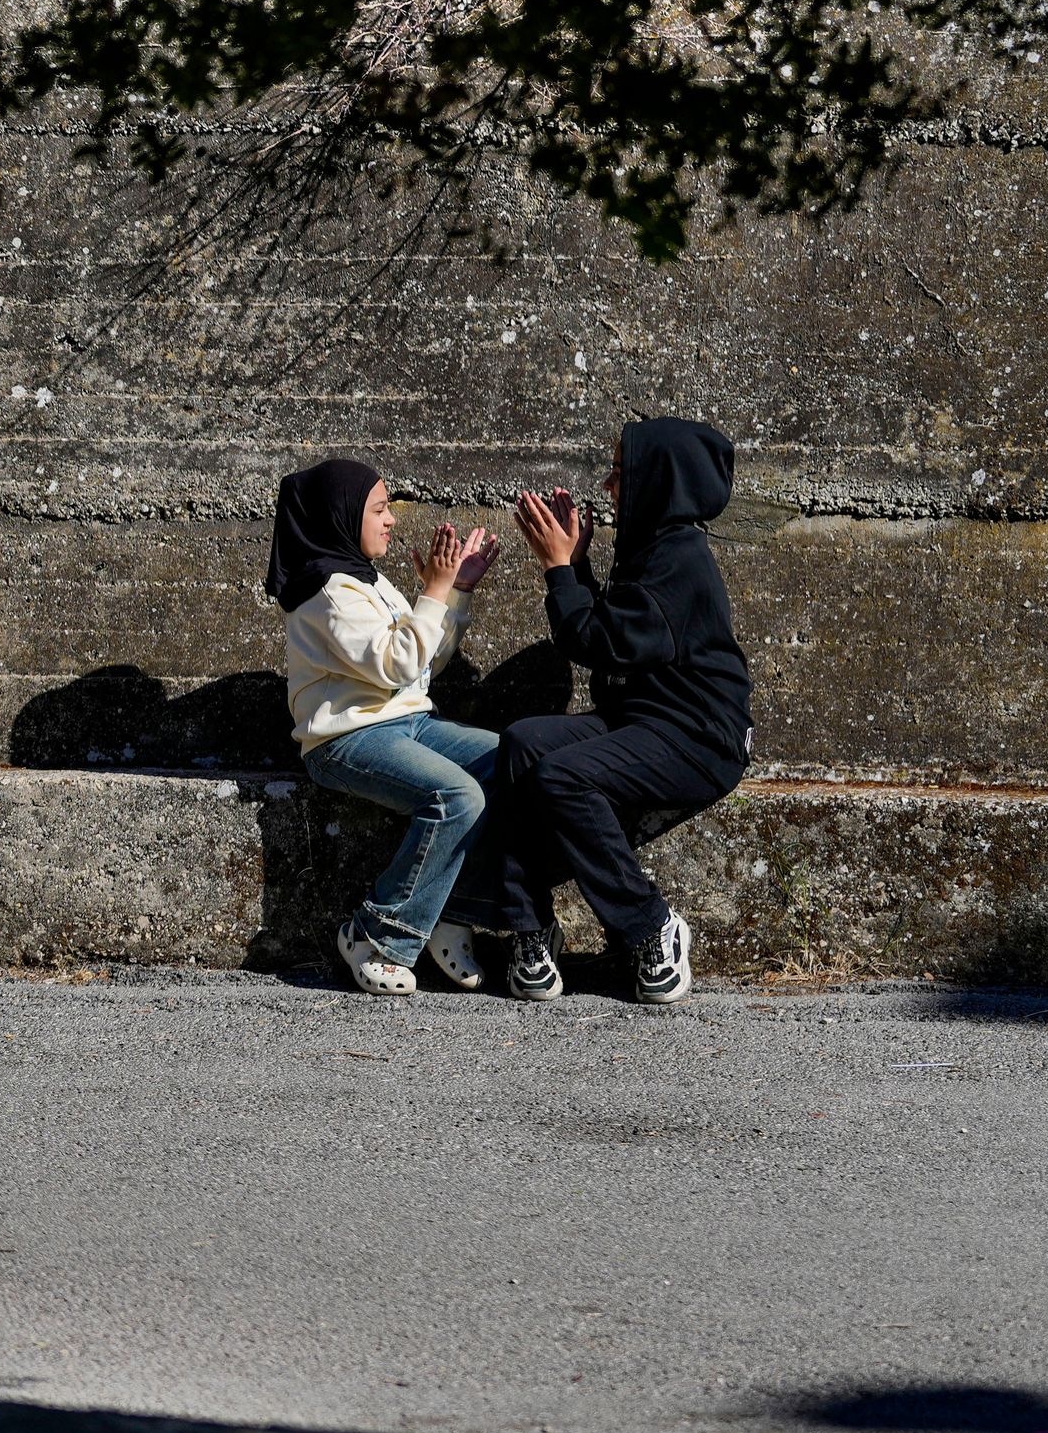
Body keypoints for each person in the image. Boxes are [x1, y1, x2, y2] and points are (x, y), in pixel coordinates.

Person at [458, 417, 755, 1006]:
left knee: (563, 777)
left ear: (660, 481)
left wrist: (560, 568)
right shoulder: (649, 544)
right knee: (522, 741)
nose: (611, 483)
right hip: (643, 720)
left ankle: (649, 927)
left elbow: (593, 641)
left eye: (624, 472)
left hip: (699, 738)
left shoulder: (680, 561)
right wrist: (582, 564)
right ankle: (528, 922)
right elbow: (612, 630)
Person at [270, 460, 505, 996]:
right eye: (378, 509)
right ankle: (377, 933)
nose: (391, 520)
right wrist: (435, 590)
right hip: (347, 739)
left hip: (410, 722)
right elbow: (396, 663)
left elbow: (423, 664)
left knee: (510, 760)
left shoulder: (368, 582)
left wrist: (455, 592)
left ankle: (448, 910)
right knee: (456, 796)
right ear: (342, 516)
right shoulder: (325, 593)